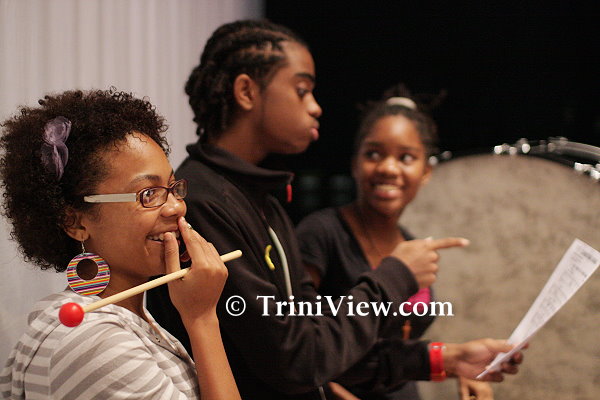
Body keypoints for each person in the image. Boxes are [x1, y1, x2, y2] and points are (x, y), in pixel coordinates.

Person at [146, 19, 522, 400]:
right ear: (246, 91)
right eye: (302, 91)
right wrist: (394, 276)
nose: (315, 107)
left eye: (407, 157)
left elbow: (320, 343)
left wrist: (447, 359)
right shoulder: (202, 202)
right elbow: (296, 360)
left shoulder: (264, 202)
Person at [0, 89, 241, 400]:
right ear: (75, 222)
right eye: (148, 194)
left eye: (172, 187)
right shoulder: (93, 341)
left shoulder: (122, 318)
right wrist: (202, 318)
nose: (176, 207)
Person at [296, 85, 493, 400]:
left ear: (425, 171)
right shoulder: (321, 233)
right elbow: (298, 348)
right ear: (355, 162)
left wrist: (457, 367)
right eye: (374, 154)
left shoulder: (412, 246)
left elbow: (399, 350)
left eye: (406, 157)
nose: (388, 168)